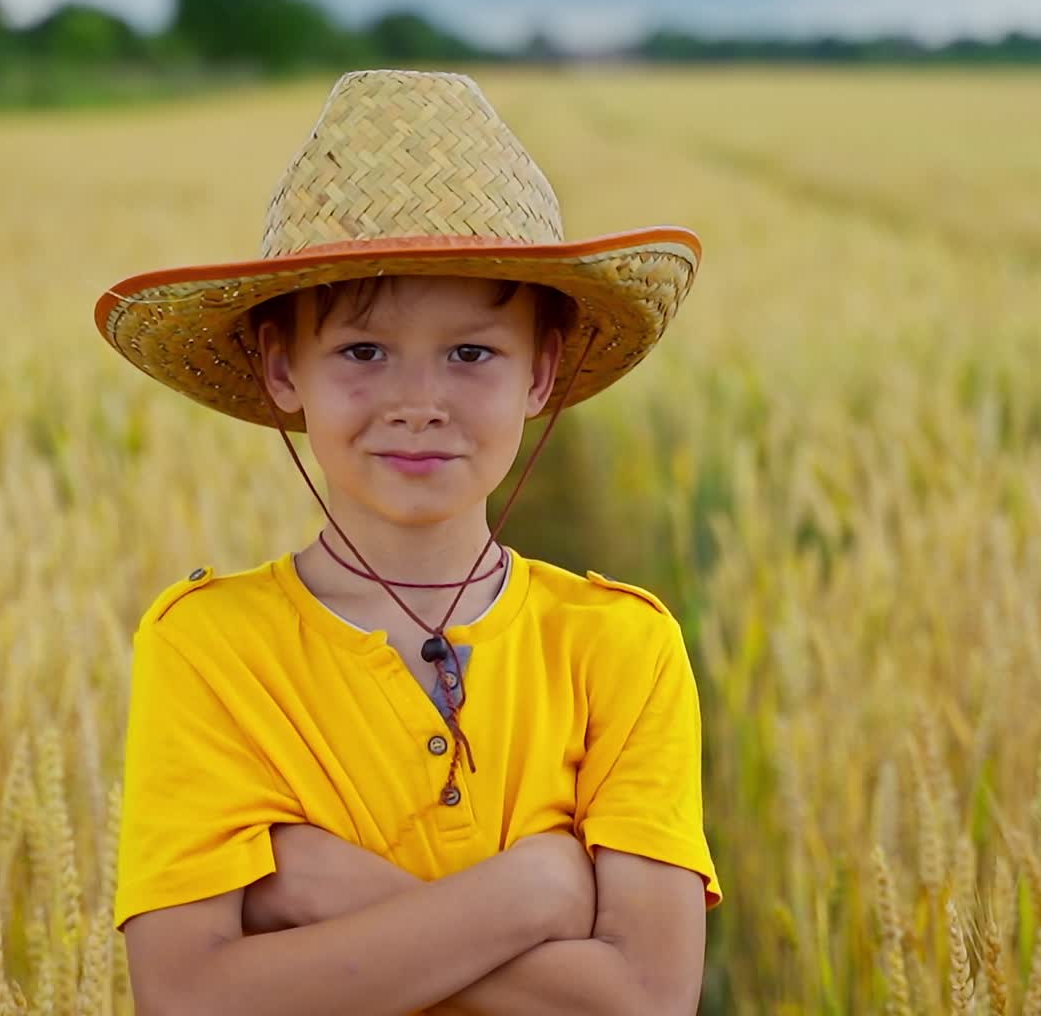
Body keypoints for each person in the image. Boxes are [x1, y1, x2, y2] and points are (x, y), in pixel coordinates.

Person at [94, 68, 721, 1016]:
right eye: (362, 352)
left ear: (541, 375)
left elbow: (644, 1000)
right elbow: (185, 998)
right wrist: (539, 891)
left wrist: (315, 888)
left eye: (472, 353)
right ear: (281, 368)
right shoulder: (208, 647)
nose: (418, 404)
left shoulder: (622, 648)